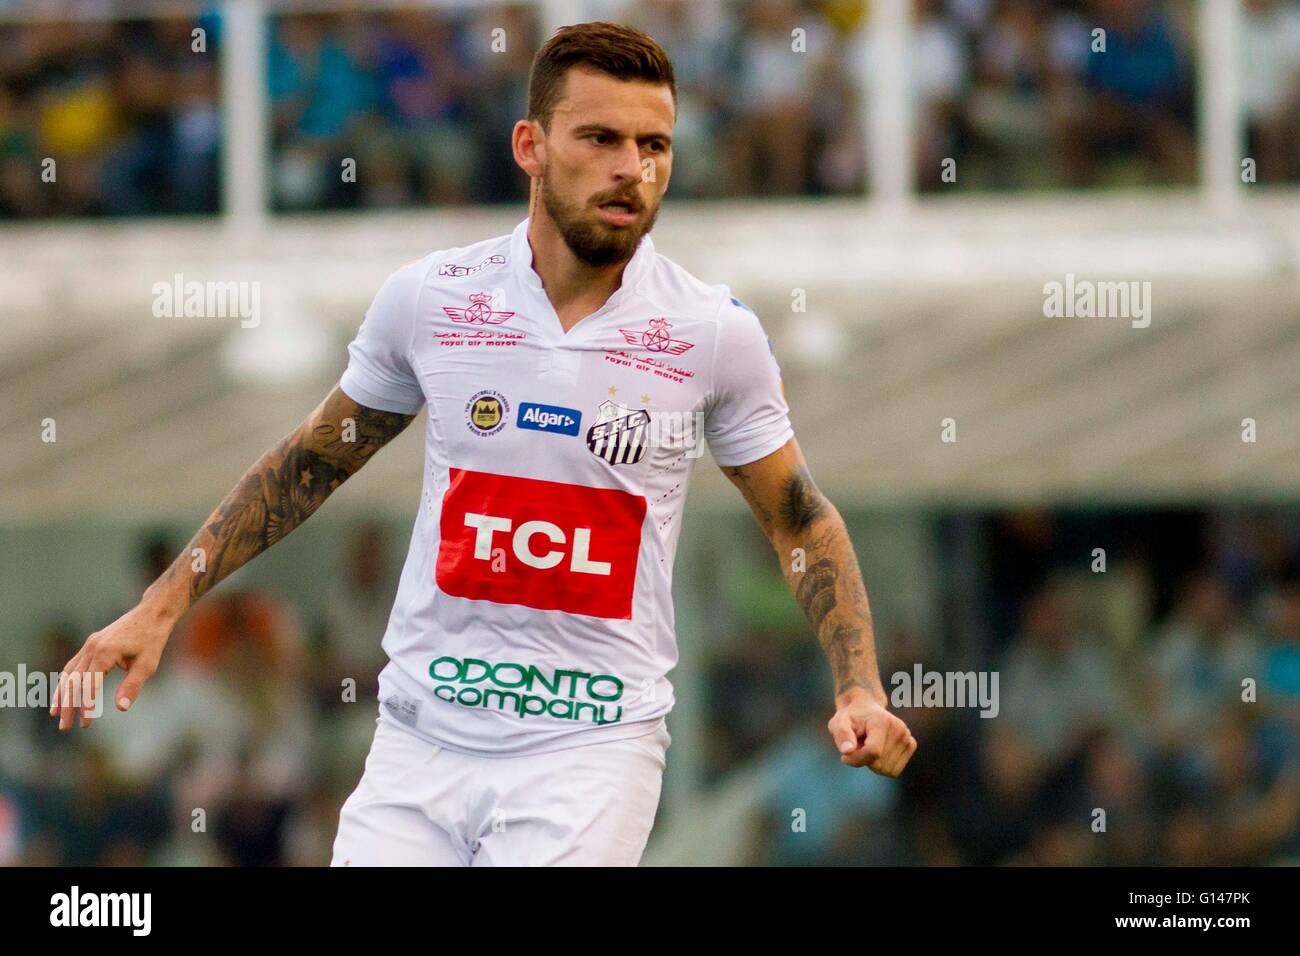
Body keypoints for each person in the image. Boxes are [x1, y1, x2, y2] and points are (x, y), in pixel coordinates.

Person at [52, 21, 915, 866]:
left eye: (655, 144)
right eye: (601, 138)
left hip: (590, 752)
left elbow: (800, 520)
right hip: (420, 740)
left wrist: (859, 685)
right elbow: (312, 462)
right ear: (530, 147)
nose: (631, 168)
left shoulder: (711, 334)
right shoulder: (431, 299)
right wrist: (164, 604)